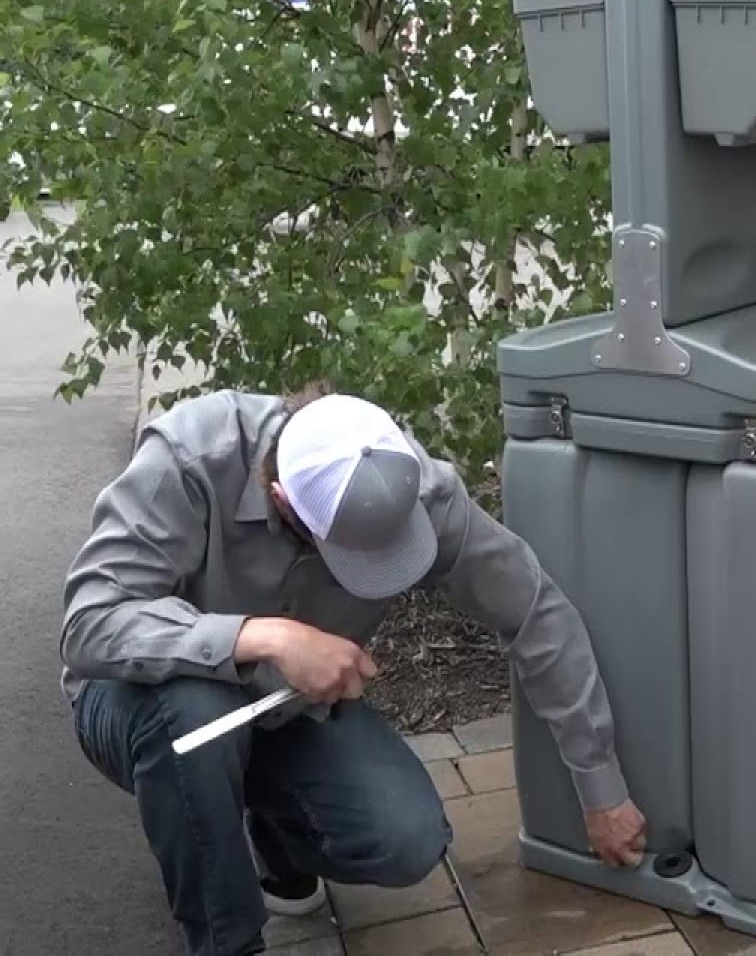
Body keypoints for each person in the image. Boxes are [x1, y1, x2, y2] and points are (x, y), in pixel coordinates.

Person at [60, 384, 646, 956]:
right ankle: (225, 939)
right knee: (193, 719)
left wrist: (601, 788)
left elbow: (534, 611)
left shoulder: (414, 488)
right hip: (142, 704)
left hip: (280, 709)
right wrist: (265, 637)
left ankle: (276, 842)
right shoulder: (190, 458)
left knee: (408, 838)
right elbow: (91, 622)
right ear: (285, 500)